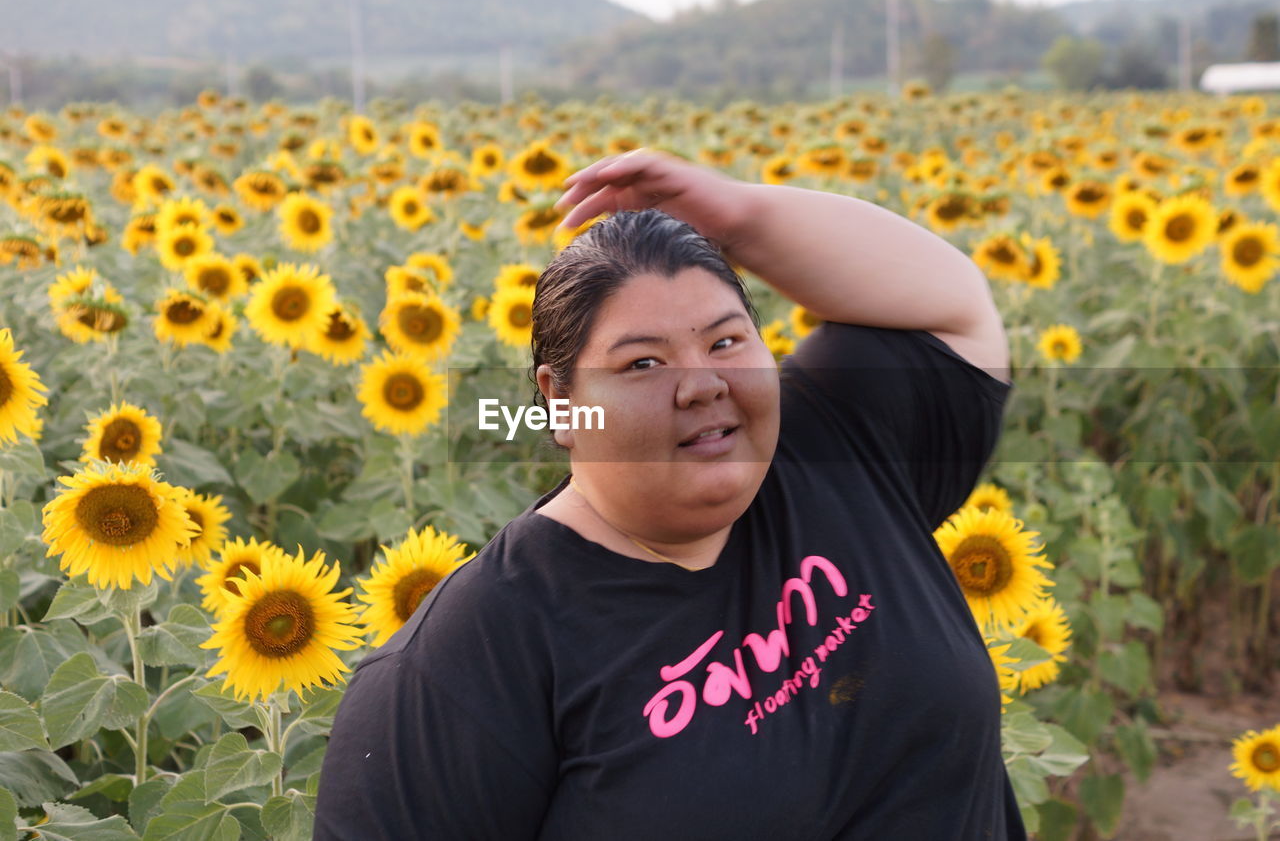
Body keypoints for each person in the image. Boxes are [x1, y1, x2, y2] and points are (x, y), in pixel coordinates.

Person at [314, 150, 1020, 839]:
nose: (702, 383)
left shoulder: (834, 446)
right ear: (562, 403)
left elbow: (955, 308)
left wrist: (738, 215)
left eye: (724, 342)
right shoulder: (474, 658)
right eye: (642, 363)